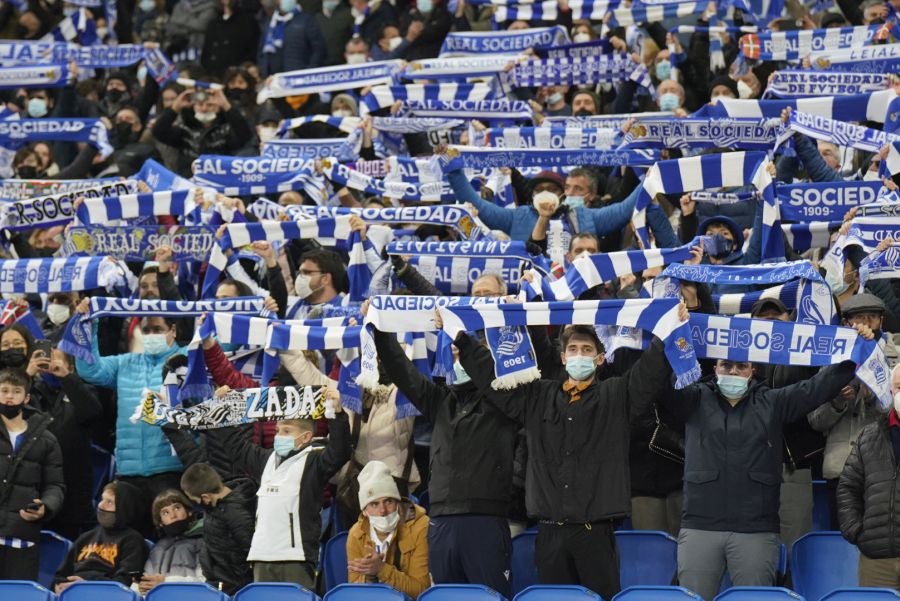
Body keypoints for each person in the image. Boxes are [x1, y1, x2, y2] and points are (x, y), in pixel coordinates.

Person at [456, 312, 687, 600]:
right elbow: (494, 381)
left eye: (587, 350)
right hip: (550, 531)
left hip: (595, 532)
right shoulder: (537, 395)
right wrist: (463, 341)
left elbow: (649, 372)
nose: (579, 355)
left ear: (600, 359)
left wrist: (668, 328)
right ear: (563, 357)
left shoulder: (617, 395)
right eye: (573, 349)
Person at [666, 324, 874, 601]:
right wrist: (666, 337)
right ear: (714, 369)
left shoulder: (773, 402)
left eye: (741, 366)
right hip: (699, 527)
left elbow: (816, 388)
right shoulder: (693, 400)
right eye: (726, 365)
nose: (733, 371)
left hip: (756, 530)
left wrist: (854, 350)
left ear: (753, 370)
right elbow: (661, 387)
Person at [373, 311, 518, 597]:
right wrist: (379, 330)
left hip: (486, 520)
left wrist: (462, 337)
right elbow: (402, 372)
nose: (459, 361)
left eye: (464, 354)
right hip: (441, 520)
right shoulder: (440, 401)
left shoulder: (505, 399)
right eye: (454, 355)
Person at [210, 388, 351, 589]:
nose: (278, 436)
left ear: (305, 437)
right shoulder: (266, 460)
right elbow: (236, 447)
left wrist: (336, 414)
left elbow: (340, 451)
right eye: (277, 431)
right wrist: (223, 409)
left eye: (286, 431)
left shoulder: (314, 461)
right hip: (261, 555)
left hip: (296, 557)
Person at [74, 302, 186, 535]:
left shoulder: (187, 359)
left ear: (173, 331)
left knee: (172, 539)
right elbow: (90, 370)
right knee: (130, 540)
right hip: (129, 473)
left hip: (171, 471)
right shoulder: (125, 363)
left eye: (157, 329)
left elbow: (223, 349)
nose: (151, 335)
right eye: (146, 330)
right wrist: (88, 325)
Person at [809, 293, 889, 528]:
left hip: (884, 469)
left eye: (872, 317)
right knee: (842, 535)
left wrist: (874, 394)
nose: (866, 324)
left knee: (879, 536)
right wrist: (837, 402)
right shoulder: (830, 362)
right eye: (859, 318)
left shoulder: (894, 359)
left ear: (881, 321)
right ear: (846, 323)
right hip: (840, 468)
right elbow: (815, 421)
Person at [837, 364, 900, 588]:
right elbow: (848, 487)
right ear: (890, 390)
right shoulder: (869, 436)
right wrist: (856, 531)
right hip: (876, 561)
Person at [0, 368, 65, 581]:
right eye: (4, 391)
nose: (9, 397)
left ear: (27, 398)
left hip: (22, 535)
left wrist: (46, 506)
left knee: (18, 594)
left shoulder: (47, 440)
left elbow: (55, 486)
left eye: (16, 391)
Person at [346, 460, 430, 599]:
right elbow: (355, 593)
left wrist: (381, 569)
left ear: (398, 502)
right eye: (374, 504)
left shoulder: (420, 526)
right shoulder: (356, 534)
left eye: (388, 501)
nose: (382, 511)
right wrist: (370, 577)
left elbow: (422, 591)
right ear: (364, 511)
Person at [53, 481, 148, 593]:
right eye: (102, 499)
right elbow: (61, 574)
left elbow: (125, 581)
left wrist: (87, 584)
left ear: (124, 509)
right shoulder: (86, 537)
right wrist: (59, 586)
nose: (101, 505)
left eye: (109, 502)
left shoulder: (132, 540)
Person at [180, 463, 255, 594]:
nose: (195, 504)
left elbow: (249, 551)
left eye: (194, 500)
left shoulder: (236, 512)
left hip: (236, 586)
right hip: (219, 582)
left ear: (205, 497)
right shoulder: (214, 507)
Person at [134, 490, 205, 594]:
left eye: (177, 508)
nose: (173, 515)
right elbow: (146, 581)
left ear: (189, 511)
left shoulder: (202, 541)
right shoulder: (157, 548)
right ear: (160, 522)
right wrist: (139, 588)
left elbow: (204, 584)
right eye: (165, 512)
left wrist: (166, 582)